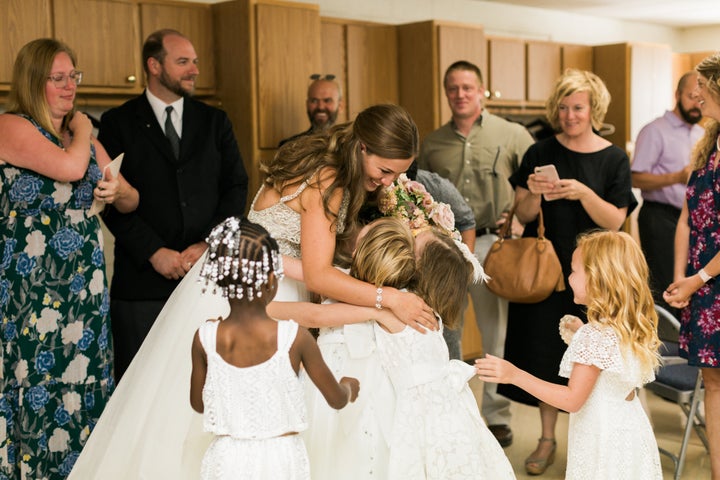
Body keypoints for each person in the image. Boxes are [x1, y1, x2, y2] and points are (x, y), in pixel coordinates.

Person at [68, 103, 434, 479]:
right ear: (362, 148)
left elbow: (307, 252)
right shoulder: (329, 181)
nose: (388, 181)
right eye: (385, 170)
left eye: (398, 174)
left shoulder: (325, 163)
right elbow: (318, 275)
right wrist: (387, 298)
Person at [0, 38, 139, 479]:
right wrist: (83, 128)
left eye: (72, 77)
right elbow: (71, 170)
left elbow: (132, 199)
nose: (68, 86)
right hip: (30, 289)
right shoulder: (11, 126)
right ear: (32, 81)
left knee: (83, 380)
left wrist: (118, 192)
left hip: (84, 289)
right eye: (57, 78)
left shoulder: (80, 141)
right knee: (35, 380)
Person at [501, 68, 637, 475]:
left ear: (594, 108)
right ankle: (547, 438)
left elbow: (614, 221)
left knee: (597, 360)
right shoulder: (540, 152)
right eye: (563, 108)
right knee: (547, 355)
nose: (569, 115)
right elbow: (522, 215)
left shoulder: (613, 158)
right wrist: (533, 195)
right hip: (547, 271)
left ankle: (594, 437)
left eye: (577, 107)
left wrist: (582, 192)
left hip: (598, 280)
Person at [98, 29, 249, 381]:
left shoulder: (215, 122)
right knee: (141, 386)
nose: (194, 70)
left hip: (207, 279)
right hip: (141, 286)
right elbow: (106, 200)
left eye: (195, 62)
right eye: (183, 62)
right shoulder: (117, 123)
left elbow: (236, 187)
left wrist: (208, 244)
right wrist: (153, 252)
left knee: (207, 382)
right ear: (154, 65)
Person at [477, 230, 662, 480]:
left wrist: (515, 374)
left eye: (574, 271)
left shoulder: (596, 335)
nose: (569, 277)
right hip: (628, 433)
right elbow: (612, 372)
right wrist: (582, 334)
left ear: (598, 279)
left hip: (601, 437)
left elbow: (572, 399)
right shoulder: (628, 324)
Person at [417, 59, 535, 447]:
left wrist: (519, 219)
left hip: (490, 243)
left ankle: (496, 415)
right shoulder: (432, 143)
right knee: (444, 328)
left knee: (493, 332)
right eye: (453, 88)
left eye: (468, 87)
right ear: (446, 92)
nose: (460, 94)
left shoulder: (513, 134)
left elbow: (535, 181)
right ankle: (451, 407)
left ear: (482, 90)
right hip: (442, 248)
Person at [189, 217, 359, 480]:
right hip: (279, 460)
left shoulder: (205, 337)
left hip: (225, 459)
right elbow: (335, 399)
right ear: (271, 281)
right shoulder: (295, 337)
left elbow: (199, 403)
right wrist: (349, 387)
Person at [366, 222, 516, 480]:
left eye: (414, 246)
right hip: (447, 409)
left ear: (419, 267)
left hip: (417, 414)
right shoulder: (432, 314)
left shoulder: (396, 313)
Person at [664, 52, 720, 480]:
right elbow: (686, 217)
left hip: (711, 277)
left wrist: (697, 278)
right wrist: (681, 277)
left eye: (702, 85)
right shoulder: (708, 146)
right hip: (702, 283)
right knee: (713, 384)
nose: (694, 93)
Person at [632, 71, 704, 324]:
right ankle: (665, 351)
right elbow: (636, 178)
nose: (697, 103)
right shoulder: (655, 131)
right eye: (691, 97)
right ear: (677, 95)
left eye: (701, 98)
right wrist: (676, 176)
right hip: (659, 217)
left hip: (690, 221)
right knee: (665, 284)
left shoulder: (700, 133)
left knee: (688, 282)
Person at [278, 74, 344, 147]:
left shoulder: (352, 146)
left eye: (327, 100)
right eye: (314, 101)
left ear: (340, 106)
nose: (320, 107)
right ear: (307, 104)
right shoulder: (289, 147)